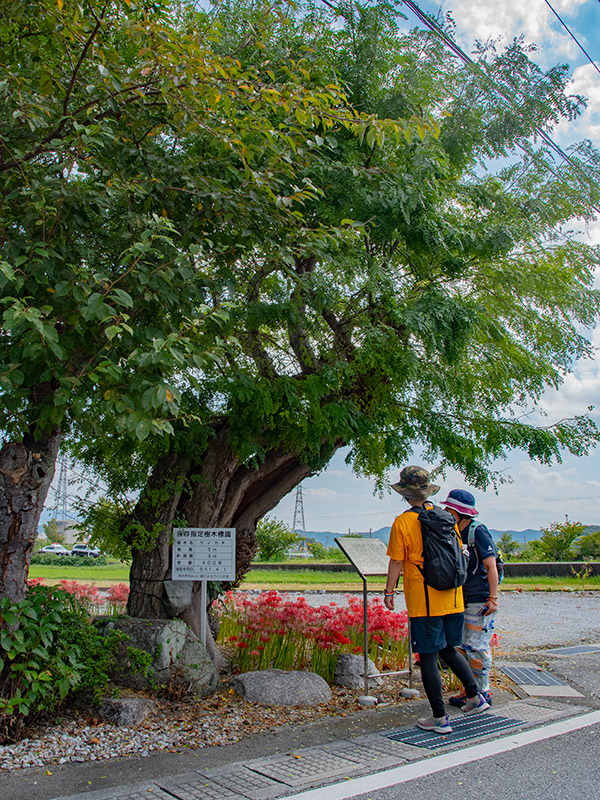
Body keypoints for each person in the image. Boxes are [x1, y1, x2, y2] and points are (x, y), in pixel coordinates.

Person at [384, 466, 490, 734]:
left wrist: (388, 592)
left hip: (425, 599)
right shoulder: (446, 516)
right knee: (449, 649)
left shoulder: (403, 522)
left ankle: (440, 719)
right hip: (453, 597)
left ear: (405, 494)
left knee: (428, 656)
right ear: (427, 491)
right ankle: (476, 697)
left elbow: (397, 561)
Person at [441, 488, 499, 707]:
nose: (446, 512)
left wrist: (493, 598)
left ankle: (484, 692)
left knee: (477, 646)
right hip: (461, 598)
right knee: (462, 646)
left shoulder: (477, 532)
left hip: (480, 599)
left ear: (457, 512)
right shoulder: (455, 532)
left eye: (448, 508)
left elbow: (490, 565)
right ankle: (471, 691)